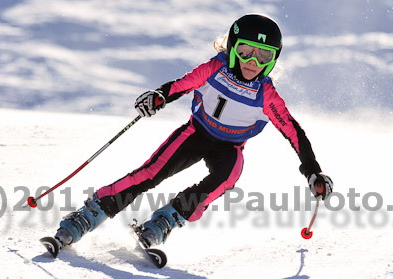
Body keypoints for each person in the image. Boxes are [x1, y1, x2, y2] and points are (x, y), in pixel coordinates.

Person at [49, 14, 333, 255]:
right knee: (151, 173)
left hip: (229, 148)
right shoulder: (214, 69)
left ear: (273, 60)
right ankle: (90, 214)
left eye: (264, 56)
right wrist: (158, 97)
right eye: (246, 50)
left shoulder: (267, 95)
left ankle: (167, 219)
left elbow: (294, 133)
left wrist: (312, 171)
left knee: (228, 176)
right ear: (233, 48)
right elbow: (180, 86)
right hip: (196, 133)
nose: (253, 62)